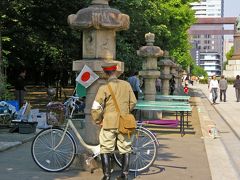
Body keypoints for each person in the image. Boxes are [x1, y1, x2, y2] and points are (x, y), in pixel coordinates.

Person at [91, 63, 137, 180]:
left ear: (106, 74)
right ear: (116, 71)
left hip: (108, 123)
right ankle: (124, 175)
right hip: (124, 122)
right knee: (125, 148)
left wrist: (98, 120)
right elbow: (133, 102)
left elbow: (96, 107)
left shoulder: (104, 88)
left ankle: (107, 176)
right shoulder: (126, 85)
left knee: (106, 148)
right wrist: (125, 113)